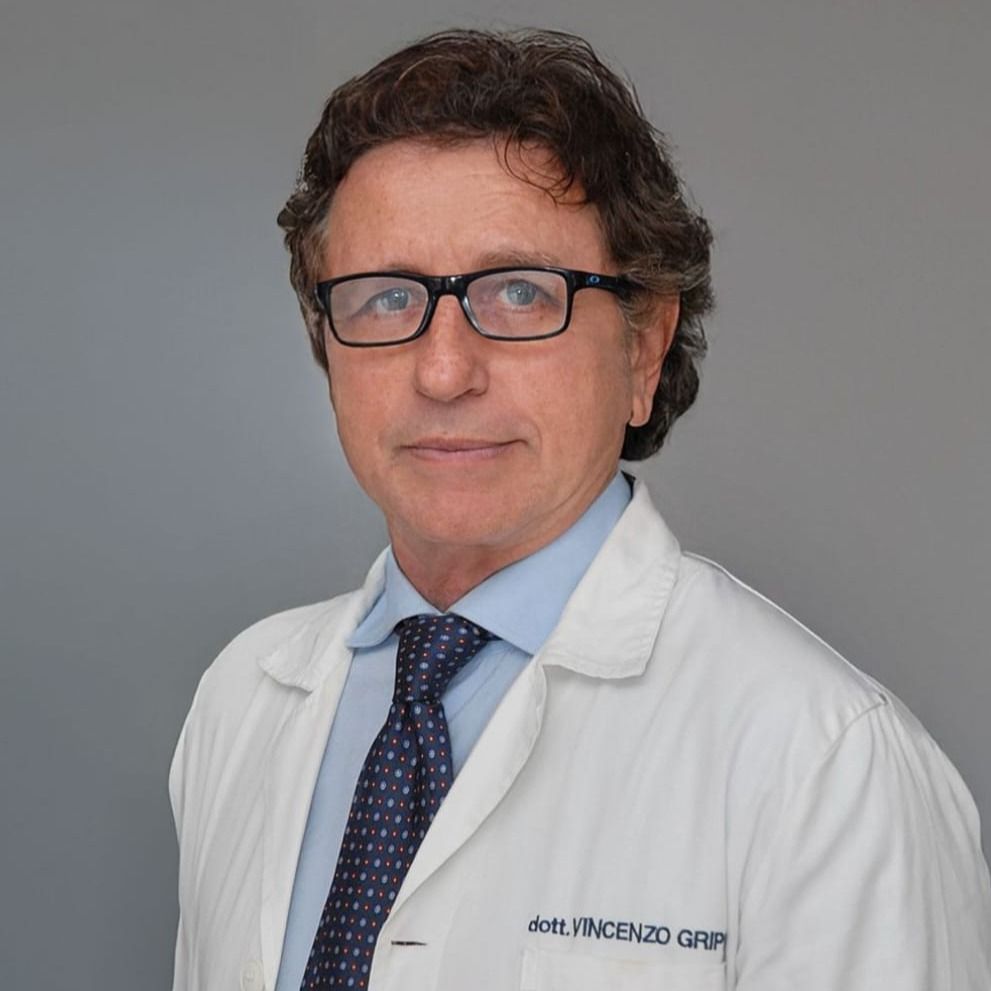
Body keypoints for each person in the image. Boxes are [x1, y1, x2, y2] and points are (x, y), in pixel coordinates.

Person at [169, 28, 991, 991]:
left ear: (644, 345)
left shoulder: (824, 762)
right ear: (326, 343)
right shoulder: (240, 702)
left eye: (519, 292)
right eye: (387, 298)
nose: (443, 371)